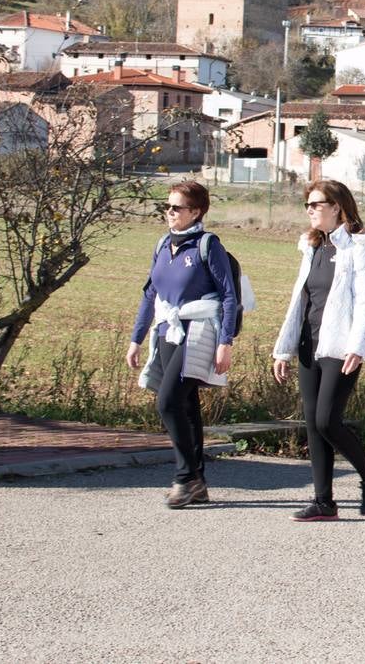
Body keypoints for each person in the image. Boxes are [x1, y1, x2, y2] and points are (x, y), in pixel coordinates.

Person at [273, 179, 365, 522]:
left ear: (337, 207)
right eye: (307, 204)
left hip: (341, 343)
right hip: (311, 341)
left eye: (316, 204)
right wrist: (284, 349)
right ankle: (324, 502)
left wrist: (358, 345)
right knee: (312, 423)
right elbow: (300, 300)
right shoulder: (312, 246)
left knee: (327, 419)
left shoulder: (357, 246)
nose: (310, 210)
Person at [126, 180, 238, 509]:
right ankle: (197, 482)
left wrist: (225, 341)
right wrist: (137, 338)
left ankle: (185, 478)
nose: (169, 213)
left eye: (177, 208)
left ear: (196, 212)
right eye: (167, 206)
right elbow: (151, 294)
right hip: (167, 331)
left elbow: (229, 295)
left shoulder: (207, 245)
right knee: (186, 406)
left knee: (167, 401)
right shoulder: (163, 244)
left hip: (199, 332)